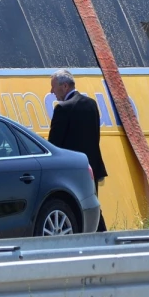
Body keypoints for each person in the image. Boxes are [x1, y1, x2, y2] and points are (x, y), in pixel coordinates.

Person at [47, 69, 108, 231]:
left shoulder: (62, 109)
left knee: (72, 207)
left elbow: (54, 144)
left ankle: (98, 238)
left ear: (64, 86)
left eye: (53, 87)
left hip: (71, 170)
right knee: (92, 206)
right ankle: (103, 239)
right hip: (92, 165)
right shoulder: (91, 104)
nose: (51, 91)